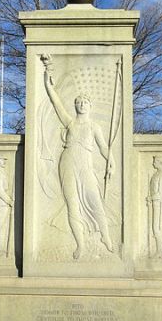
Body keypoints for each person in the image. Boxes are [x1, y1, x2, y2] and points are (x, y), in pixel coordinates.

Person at [41, 54, 114, 260]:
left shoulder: (94, 126)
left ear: (90, 106)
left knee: (95, 201)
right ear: (75, 106)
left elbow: (103, 148)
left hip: (85, 165)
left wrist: (112, 162)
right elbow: (55, 102)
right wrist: (47, 81)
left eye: (85, 102)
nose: (82, 104)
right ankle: (80, 245)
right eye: (79, 102)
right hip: (67, 164)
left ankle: (106, 237)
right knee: (72, 205)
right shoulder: (70, 122)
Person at [147, 156, 162, 257]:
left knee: (157, 227)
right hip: (155, 203)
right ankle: (159, 250)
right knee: (155, 227)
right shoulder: (156, 175)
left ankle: (160, 251)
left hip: (160, 204)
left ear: (160, 162)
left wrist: (151, 197)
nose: (153, 164)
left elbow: (161, 193)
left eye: (155, 162)